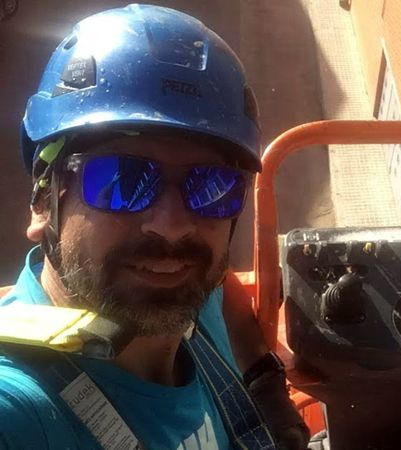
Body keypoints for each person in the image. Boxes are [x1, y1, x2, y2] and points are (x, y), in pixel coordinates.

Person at [0, 5, 307, 449]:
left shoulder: (182, 280)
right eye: (123, 181)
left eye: (213, 187)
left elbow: (221, 287)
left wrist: (265, 385)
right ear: (43, 203)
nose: (173, 228)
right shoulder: (18, 408)